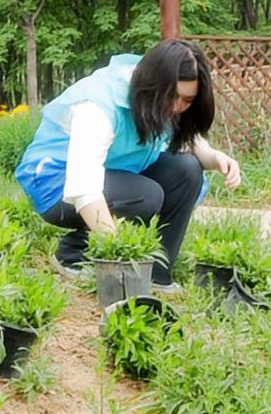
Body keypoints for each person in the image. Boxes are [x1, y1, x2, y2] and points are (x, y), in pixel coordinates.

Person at [14, 39, 242, 292]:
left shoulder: (160, 98)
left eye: (187, 100)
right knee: (146, 195)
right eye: (172, 97)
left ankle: (156, 274)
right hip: (55, 181)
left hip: (114, 176)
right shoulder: (98, 107)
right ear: (153, 87)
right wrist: (117, 255)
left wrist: (215, 158)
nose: (177, 107)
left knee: (187, 169)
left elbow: (185, 140)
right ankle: (74, 254)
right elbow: (83, 187)